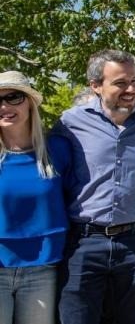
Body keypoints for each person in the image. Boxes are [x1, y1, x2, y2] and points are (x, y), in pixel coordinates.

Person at [52, 51, 135, 323]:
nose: (131, 89)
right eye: (121, 83)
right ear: (96, 86)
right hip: (84, 243)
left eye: (134, 81)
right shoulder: (70, 123)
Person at [0, 71, 68, 324]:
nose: (4, 106)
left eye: (13, 97)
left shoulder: (57, 150)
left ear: (30, 102)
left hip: (43, 269)